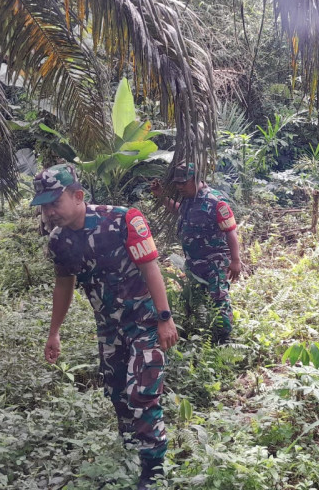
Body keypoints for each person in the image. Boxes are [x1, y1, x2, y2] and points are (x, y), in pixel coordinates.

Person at [32, 164, 178, 490]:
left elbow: (151, 268)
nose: (49, 211)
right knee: (116, 394)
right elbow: (63, 286)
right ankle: (129, 452)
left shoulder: (124, 220)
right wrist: (54, 332)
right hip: (109, 330)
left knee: (142, 394)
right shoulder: (60, 241)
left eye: (54, 202)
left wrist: (165, 318)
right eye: (43, 205)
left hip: (145, 324)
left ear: (78, 195)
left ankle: (151, 473)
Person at [158, 163, 241, 344]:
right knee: (200, 298)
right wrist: (162, 197)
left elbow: (230, 232)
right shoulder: (189, 199)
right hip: (195, 262)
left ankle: (224, 340)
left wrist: (235, 260)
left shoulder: (216, 201)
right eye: (177, 183)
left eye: (183, 183)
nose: (179, 187)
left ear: (196, 179)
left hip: (215, 261)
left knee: (218, 298)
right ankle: (204, 334)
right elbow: (178, 210)